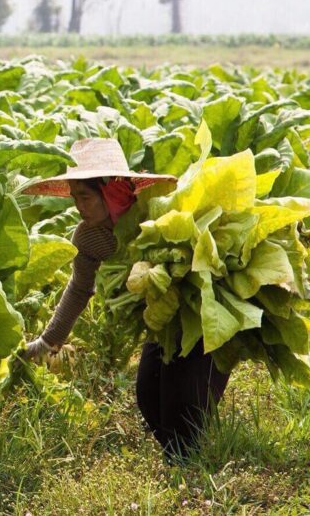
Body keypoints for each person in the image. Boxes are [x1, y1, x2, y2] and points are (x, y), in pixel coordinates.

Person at [22, 138, 230, 459]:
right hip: (162, 320)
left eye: (86, 197)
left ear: (112, 192)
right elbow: (79, 288)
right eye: (75, 197)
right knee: (148, 400)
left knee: (183, 407)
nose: (79, 206)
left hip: (204, 314)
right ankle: (183, 457)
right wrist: (48, 342)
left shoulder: (156, 217)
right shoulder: (89, 236)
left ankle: (196, 466)